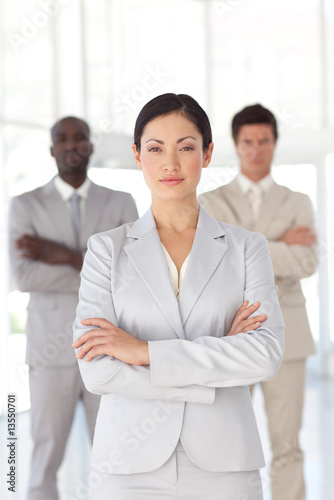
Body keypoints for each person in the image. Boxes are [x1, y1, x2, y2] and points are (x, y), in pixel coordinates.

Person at [72, 94, 284, 500]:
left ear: (206, 154)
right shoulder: (105, 250)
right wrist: (220, 359)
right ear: (137, 155)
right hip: (128, 465)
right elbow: (97, 372)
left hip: (226, 463)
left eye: (186, 147)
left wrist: (143, 352)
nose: (170, 163)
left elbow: (264, 355)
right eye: (155, 148)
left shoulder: (246, 248)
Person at [8, 116, 138, 500]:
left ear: (90, 146)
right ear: (51, 150)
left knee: (115, 456)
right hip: (50, 351)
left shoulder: (121, 203)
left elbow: (131, 276)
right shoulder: (24, 205)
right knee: (44, 458)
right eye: (62, 139)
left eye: (79, 137)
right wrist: (95, 266)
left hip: (109, 347)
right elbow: (24, 278)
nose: (71, 145)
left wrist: (59, 254)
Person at [199, 103, 317, 500]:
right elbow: (213, 263)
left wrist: (244, 247)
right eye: (248, 142)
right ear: (235, 145)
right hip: (232, 333)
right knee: (227, 438)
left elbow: (308, 260)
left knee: (288, 444)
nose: (256, 149)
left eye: (263, 141)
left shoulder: (298, 200)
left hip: (291, 337)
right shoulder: (211, 202)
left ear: (274, 143)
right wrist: (279, 247)